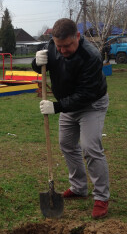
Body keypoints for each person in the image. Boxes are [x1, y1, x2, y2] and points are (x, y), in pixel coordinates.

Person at [32, 18, 111, 219]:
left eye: (68, 45)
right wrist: (36, 62)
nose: (63, 50)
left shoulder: (90, 56)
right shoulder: (52, 47)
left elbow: (86, 94)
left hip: (91, 104)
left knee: (90, 146)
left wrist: (57, 107)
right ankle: (78, 187)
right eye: (59, 46)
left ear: (77, 36)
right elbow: (42, 67)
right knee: (66, 143)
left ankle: (101, 197)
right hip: (68, 104)